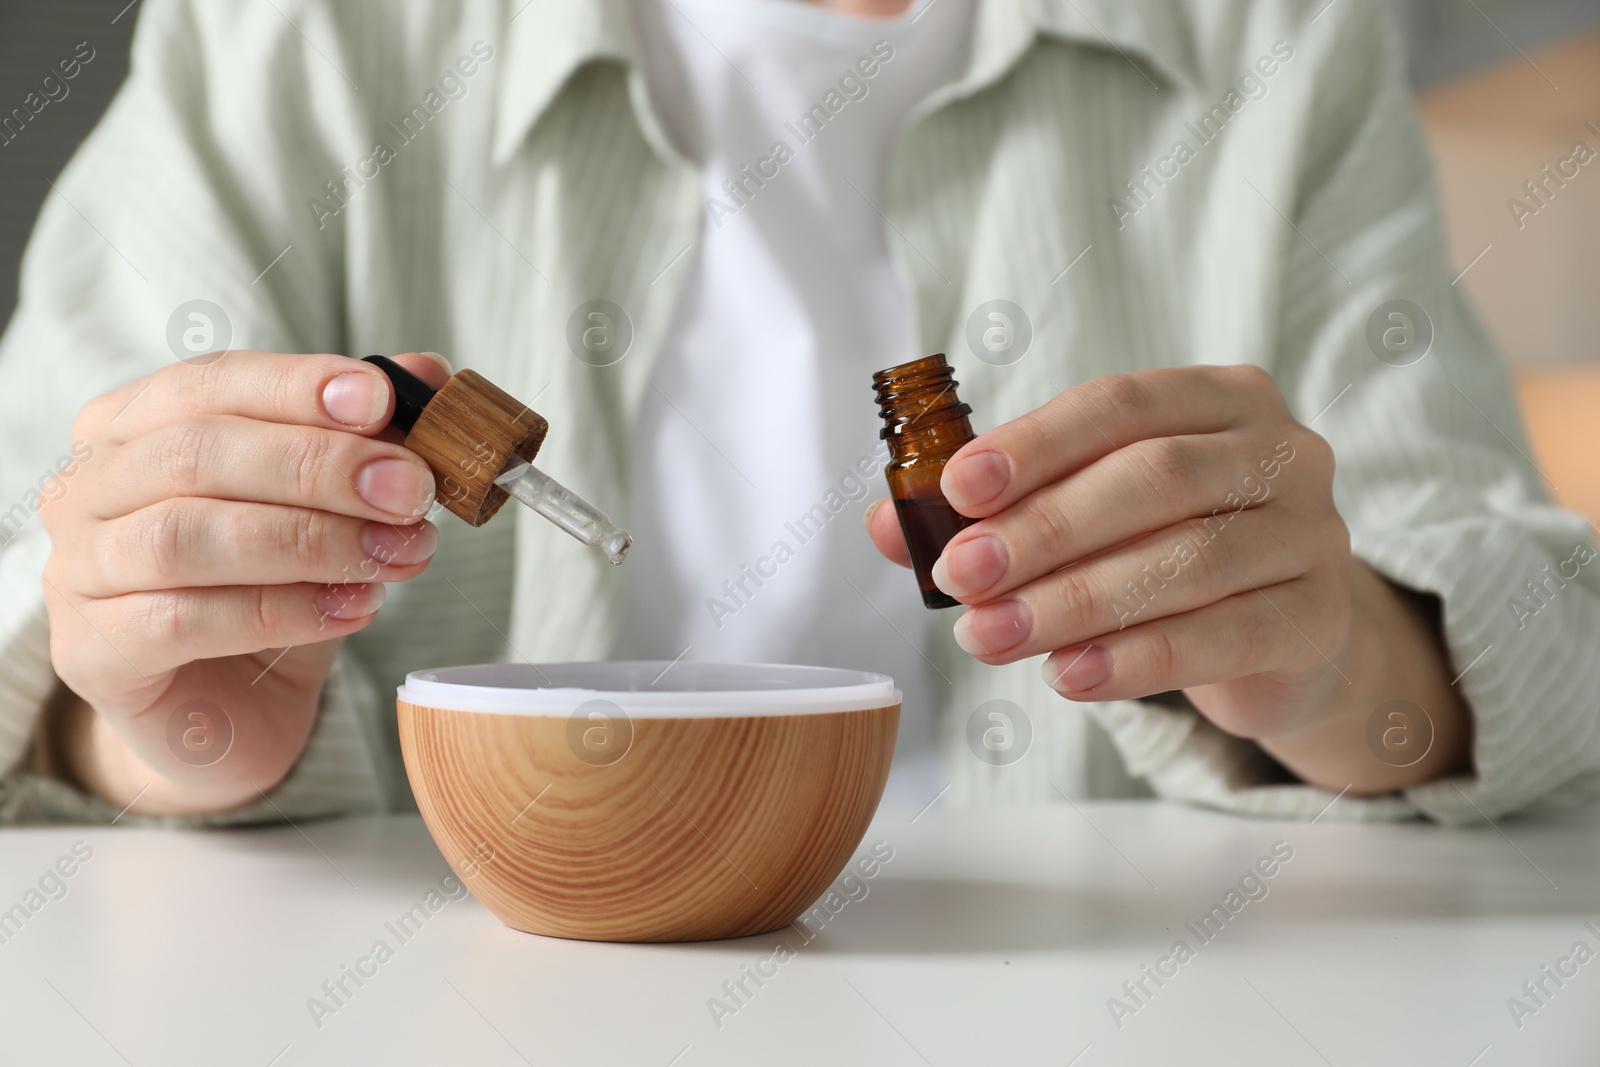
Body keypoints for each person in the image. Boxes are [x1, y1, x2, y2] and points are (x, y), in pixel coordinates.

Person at [0, 0, 1595, 828]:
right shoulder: (291, 47)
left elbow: (1543, 648)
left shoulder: (1273, 49)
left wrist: (1353, 664)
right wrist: (166, 724)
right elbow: (39, 581)